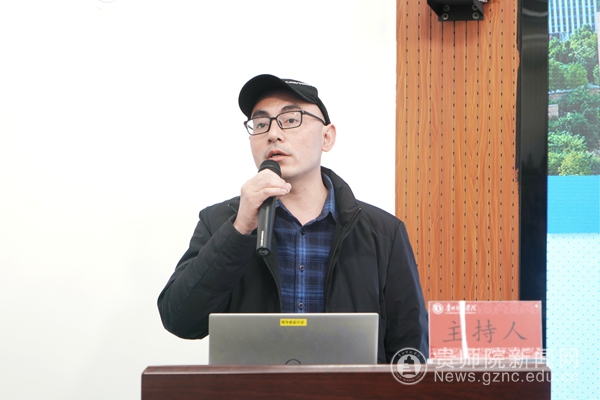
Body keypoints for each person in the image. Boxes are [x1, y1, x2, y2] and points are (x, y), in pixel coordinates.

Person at [157, 74, 429, 363]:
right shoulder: (221, 222)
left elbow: (410, 350)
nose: (273, 134)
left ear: (327, 137)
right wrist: (239, 229)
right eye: (261, 124)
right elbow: (180, 320)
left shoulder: (383, 232)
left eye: (290, 119)